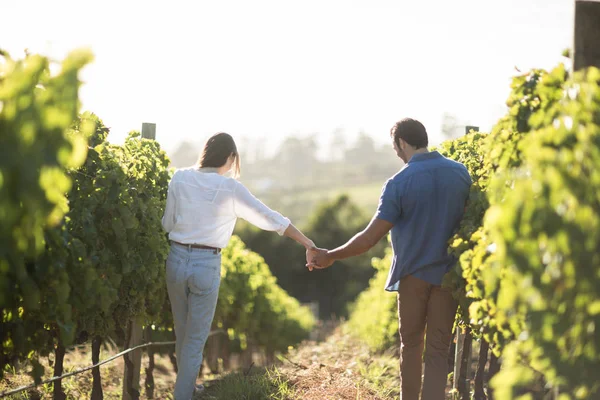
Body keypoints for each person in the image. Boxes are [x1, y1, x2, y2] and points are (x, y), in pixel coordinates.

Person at [307, 118, 472, 400]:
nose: (396, 152)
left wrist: (331, 255)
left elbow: (369, 238)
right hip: (449, 275)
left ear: (402, 143)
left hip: (413, 277)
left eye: (396, 146)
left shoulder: (399, 182)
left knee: (411, 345)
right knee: (438, 350)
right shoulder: (460, 173)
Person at [162, 132, 315, 400]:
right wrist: (306, 242)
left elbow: (166, 224)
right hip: (206, 264)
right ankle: (182, 395)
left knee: (182, 332)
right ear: (231, 157)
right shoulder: (230, 187)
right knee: (195, 340)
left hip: (175, 260)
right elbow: (270, 218)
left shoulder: (179, 177)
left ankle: (189, 387)